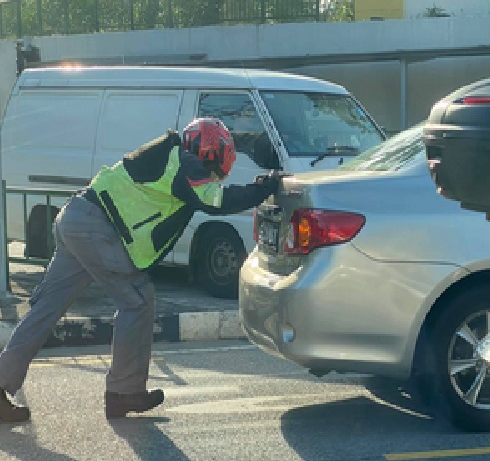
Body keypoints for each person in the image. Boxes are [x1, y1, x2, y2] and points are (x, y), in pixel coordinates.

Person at [0, 118, 282, 422]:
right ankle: (123, 392)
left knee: (46, 310)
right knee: (137, 300)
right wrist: (263, 189)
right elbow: (215, 201)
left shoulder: (168, 154)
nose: (215, 174)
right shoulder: (184, 164)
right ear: (212, 152)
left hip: (77, 217)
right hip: (97, 228)